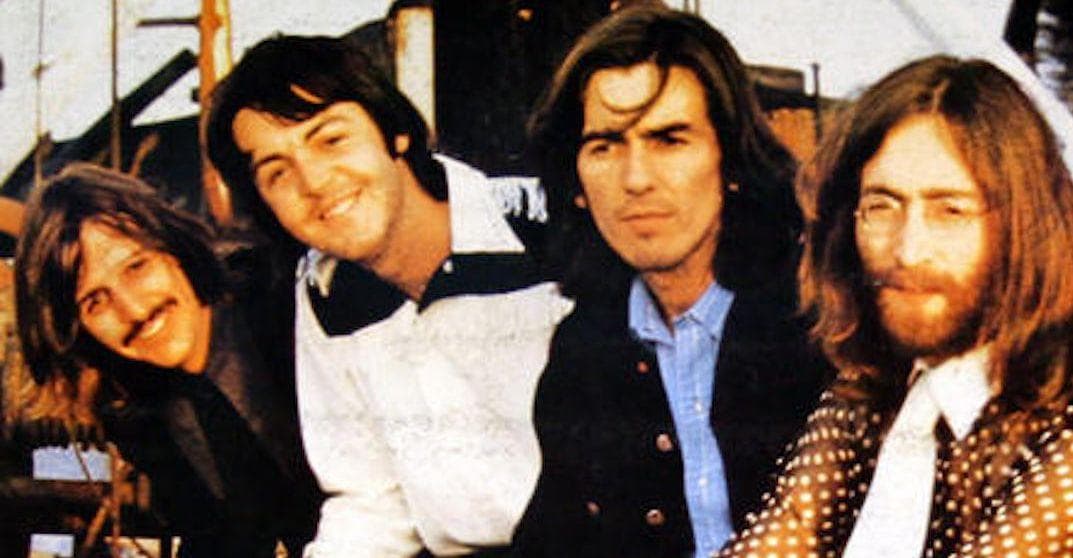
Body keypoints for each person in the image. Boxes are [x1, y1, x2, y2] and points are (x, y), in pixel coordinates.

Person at [205, 35, 572, 557]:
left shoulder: (544, 228)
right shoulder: (325, 292)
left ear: (395, 133)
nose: (314, 182)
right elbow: (371, 501)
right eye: (277, 172)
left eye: (331, 140)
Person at [720, 55, 1073, 557]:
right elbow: (779, 537)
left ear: (1024, 226)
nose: (908, 250)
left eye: (950, 211)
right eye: (881, 206)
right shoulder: (872, 393)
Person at [511, 6, 831, 557]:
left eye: (669, 140)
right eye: (605, 145)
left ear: (730, 159)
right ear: (576, 183)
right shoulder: (584, 352)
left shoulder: (823, 324)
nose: (636, 179)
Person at [14, 163, 321, 557]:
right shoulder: (142, 411)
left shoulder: (286, 310)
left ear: (172, 246)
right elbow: (218, 537)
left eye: (136, 266)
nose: (134, 309)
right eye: (95, 301)